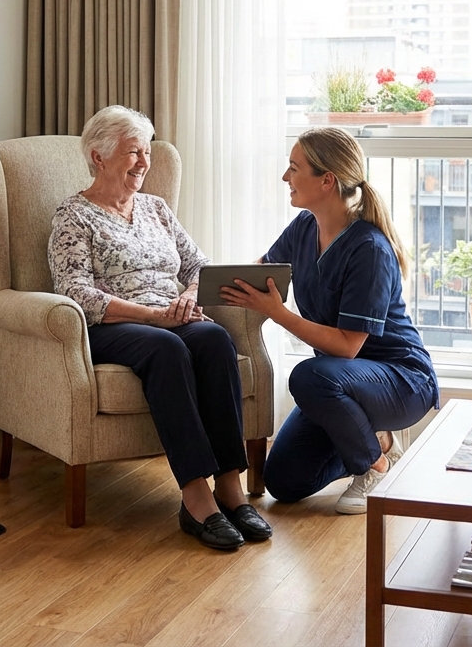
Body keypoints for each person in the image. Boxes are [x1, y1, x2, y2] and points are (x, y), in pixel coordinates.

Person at [47, 104, 272, 550]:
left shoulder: (156, 209)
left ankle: (229, 486)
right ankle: (195, 499)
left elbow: (198, 265)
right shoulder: (72, 216)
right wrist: (152, 315)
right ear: (99, 156)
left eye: (146, 152)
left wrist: (190, 296)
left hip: (171, 315)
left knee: (212, 338)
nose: (144, 163)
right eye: (134, 152)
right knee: (166, 349)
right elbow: (76, 293)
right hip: (115, 325)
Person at [218, 126, 439, 514]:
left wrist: (278, 313)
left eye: (293, 168)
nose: (285, 178)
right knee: (284, 481)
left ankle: (373, 465)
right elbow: (258, 272)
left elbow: (345, 346)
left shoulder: (369, 248)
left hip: (401, 380)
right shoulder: (304, 228)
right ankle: (379, 440)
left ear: (327, 181)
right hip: (340, 383)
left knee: (307, 375)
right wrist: (195, 290)